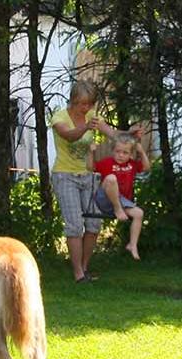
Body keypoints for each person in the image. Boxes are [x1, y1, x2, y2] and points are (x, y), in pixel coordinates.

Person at [47, 81, 137, 282]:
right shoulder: (59, 117)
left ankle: (85, 268)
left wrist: (129, 134)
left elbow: (112, 134)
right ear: (73, 100)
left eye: (89, 104)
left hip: (88, 176)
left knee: (94, 223)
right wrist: (85, 126)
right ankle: (78, 273)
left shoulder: (92, 116)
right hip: (64, 176)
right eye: (81, 104)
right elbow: (69, 136)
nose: (86, 108)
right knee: (74, 225)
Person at [92, 134, 149, 260]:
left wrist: (142, 151)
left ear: (131, 154)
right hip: (105, 199)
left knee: (139, 213)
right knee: (112, 178)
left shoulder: (132, 164)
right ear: (113, 151)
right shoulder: (107, 163)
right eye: (118, 151)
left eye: (125, 152)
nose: (121, 155)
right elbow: (90, 167)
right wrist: (91, 152)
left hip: (122, 201)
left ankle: (132, 245)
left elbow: (146, 167)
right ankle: (118, 209)